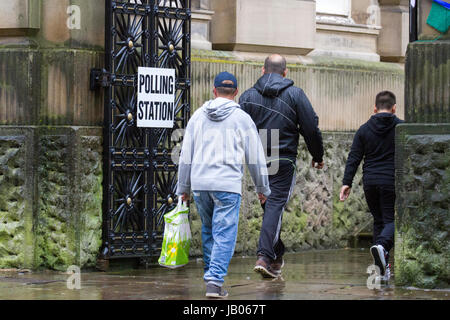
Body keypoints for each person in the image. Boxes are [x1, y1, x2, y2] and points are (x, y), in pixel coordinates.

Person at [176, 71, 271, 298]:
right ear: (236, 93)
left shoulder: (197, 116)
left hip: (200, 184)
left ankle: (212, 277)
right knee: (225, 234)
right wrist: (262, 189)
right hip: (227, 185)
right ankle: (215, 281)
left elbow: (185, 155)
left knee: (209, 230)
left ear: (214, 91)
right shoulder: (242, 119)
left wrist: (183, 188)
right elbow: (256, 158)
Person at [239, 54, 324, 278]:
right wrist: (318, 155)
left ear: (262, 70)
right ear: (285, 73)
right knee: (274, 206)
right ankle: (265, 256)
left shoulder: (247, 97)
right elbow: (310, 127)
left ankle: (276, 255)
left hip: (258, 159)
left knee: (270, 207)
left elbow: (239, 131)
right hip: (282, 158)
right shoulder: (295, 94)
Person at [340, 91, 403, 281]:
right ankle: (383, 248)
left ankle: (381, 269)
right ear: (394, 108)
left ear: (374, 108)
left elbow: (354, 158)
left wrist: (346, 183)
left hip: (370, 182)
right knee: (392, 220)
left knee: (378, 221)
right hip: (391, 181)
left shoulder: (364, 129)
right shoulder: (401, 128)